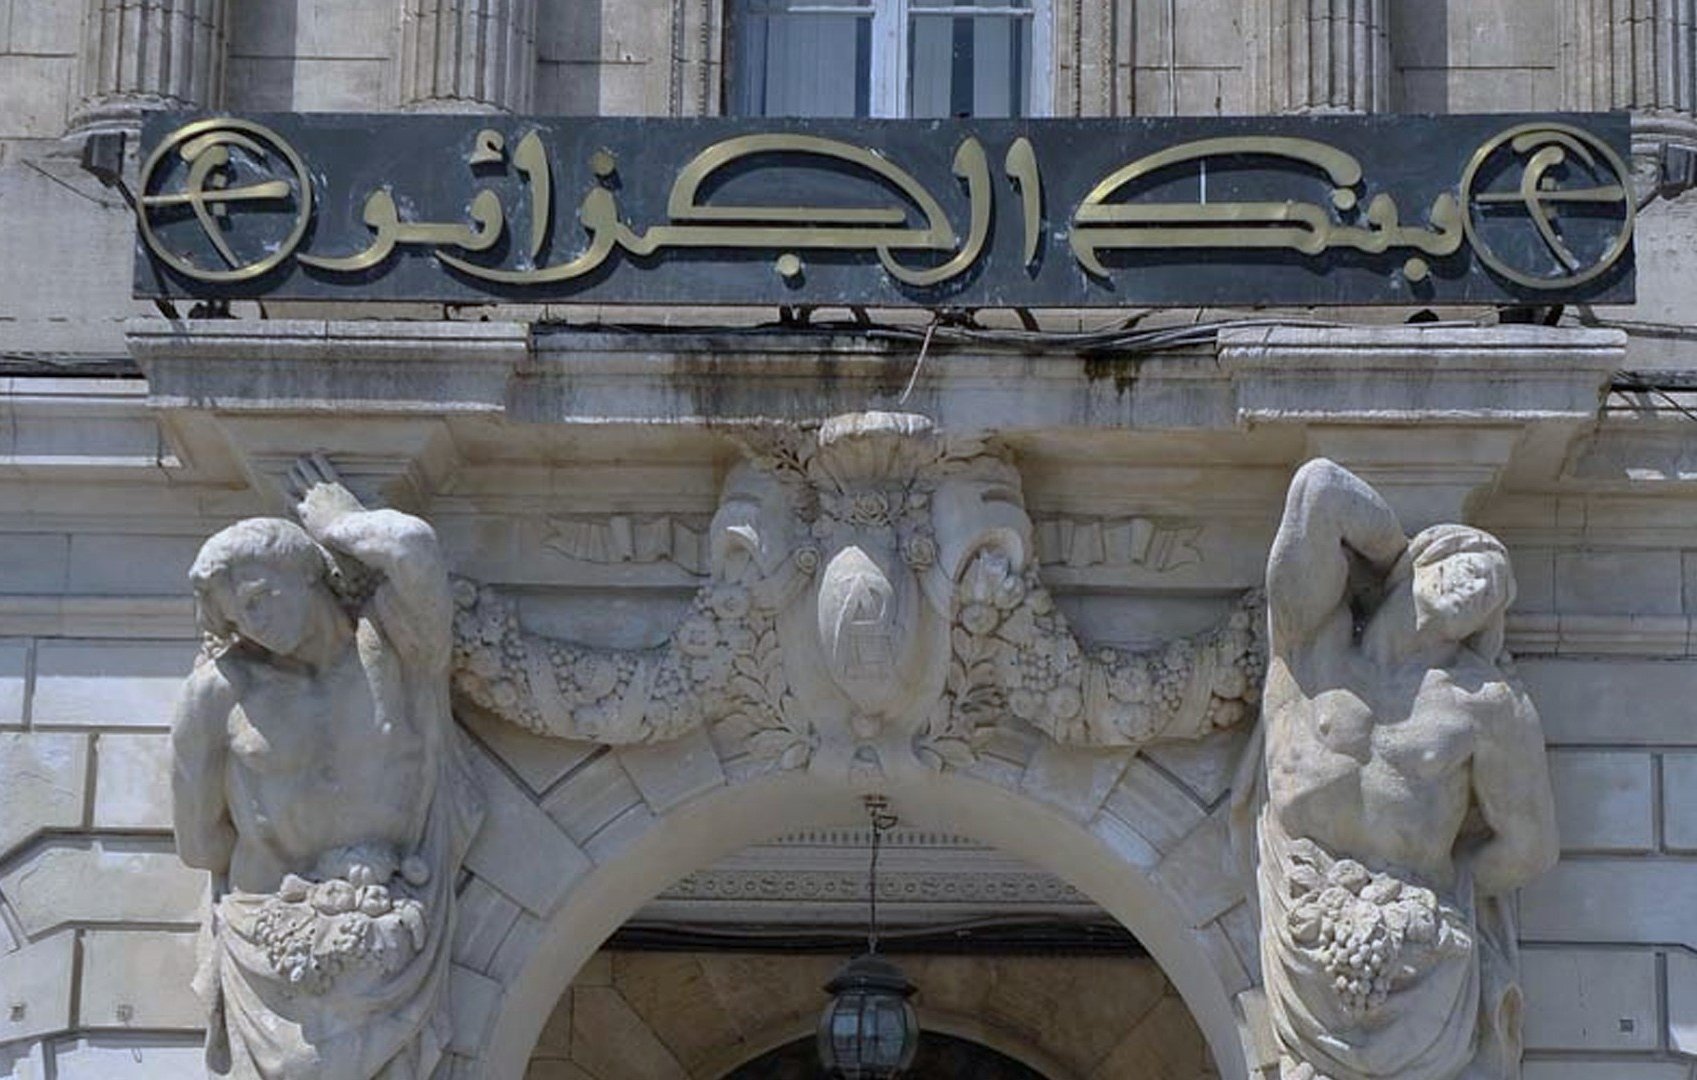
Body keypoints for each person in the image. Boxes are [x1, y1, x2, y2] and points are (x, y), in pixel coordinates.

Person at [172, 454, 481, 1080]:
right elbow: (201, 844)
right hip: (268, 943)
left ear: (305, 568)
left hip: (395, 931)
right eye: (238, 617)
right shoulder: (219, 693)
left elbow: (414, 548)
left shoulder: (393, 648)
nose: (253, 624)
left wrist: (341, 523)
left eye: (260, 599)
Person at [1252, 458, 1558, 1080]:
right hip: (1304, 911)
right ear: (1426, 562)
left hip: (1418, 941)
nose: (1477, 585)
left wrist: (1447, 886)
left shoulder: (1486, 703)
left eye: (1493, 590)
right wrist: (1398, 558)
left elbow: (1531, 845)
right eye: (1469, 565)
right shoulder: (1313, 640)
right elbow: (1319, 489)